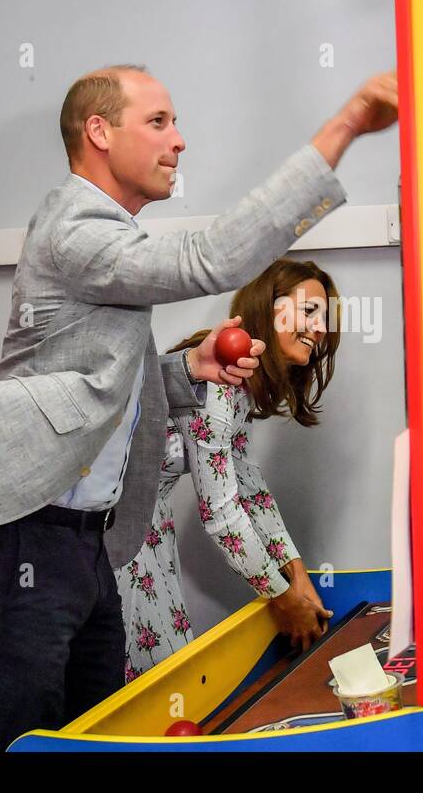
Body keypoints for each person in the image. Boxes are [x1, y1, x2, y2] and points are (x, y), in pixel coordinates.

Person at [0, 64, 398, 751]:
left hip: (88, 540)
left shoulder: (107, 242)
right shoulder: (77, 227)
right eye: (159, 122)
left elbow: (92, 383)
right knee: (28, 742)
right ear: (98, 132)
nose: (179, 141)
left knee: (99, 736)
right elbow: (209, 260)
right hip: (23, 536)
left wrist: (184, 368)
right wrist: (345, 127)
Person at [118, 259, 341, 680]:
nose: (320, 328)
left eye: (324, 318)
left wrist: (296, 574)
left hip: (146, 526)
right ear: (267, 308)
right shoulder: (219, 380)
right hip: (116, 533)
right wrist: (282, 597)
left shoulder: (242, 384)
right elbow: (220, 513)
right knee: (152, 681)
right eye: (309, 311)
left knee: (158, 676)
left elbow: (250, 489)